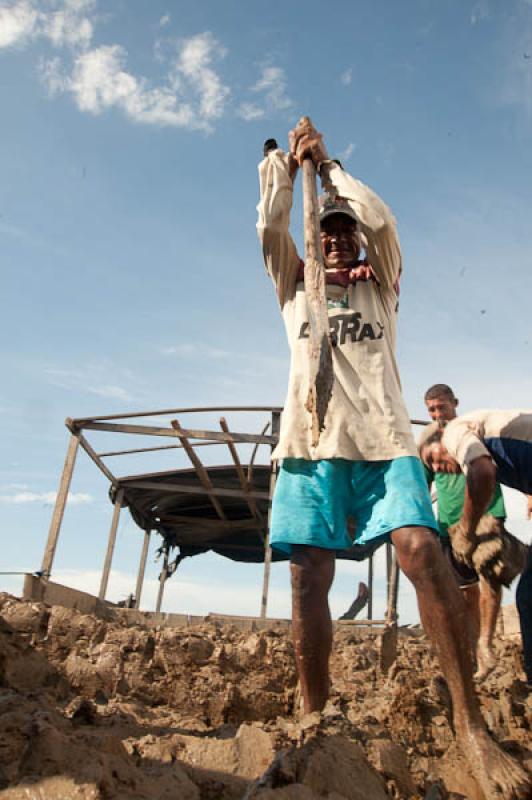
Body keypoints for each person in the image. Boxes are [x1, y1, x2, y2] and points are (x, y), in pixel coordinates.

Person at [256, 122, 530, 799]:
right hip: (311, 446)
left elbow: (383, 223)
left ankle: (470, 722)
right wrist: (286, 178)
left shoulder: (381, 287)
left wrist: (333, 168)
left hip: (382, 442)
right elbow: (270, 230)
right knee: (306, 575)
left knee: (421, 551)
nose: (340, 237)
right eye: (329, 231)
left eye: (345, 231)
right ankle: (313, 713)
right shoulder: (296, 286)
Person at [420, 408, 532, 695]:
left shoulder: (457, 430)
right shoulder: (497, 437)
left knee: (529, 596)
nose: (437, 466)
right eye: (430, 466)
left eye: (433, 457)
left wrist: (466, 530)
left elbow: (482, 473)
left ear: (441, 437)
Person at [421, 384, 506, 678]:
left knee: (490, 584)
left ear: (454, 403)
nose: (437, 413)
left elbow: (496, 464)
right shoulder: (429, 440)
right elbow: (423, 484)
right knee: (464, 592)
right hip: (449, 523)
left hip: (486, 513)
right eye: (431, 409)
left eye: (441, 407)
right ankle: (471, 651)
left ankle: (486, 644)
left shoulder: (470, 431)